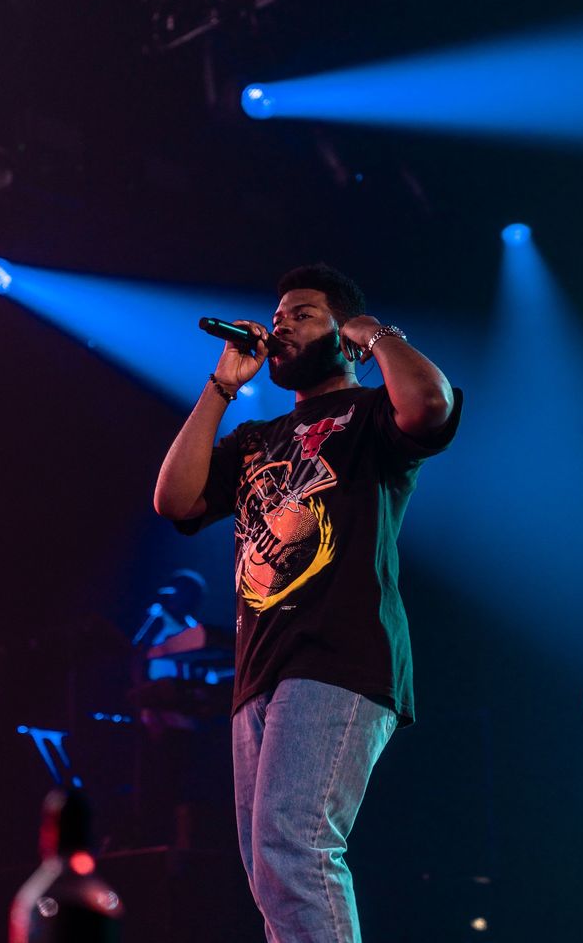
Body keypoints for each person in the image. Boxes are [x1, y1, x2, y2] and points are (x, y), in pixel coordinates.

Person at [154, 263, 462, 942]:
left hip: (340, 655)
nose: (282, 322)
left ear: (341, 331)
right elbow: (174, 498)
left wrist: (376, 335)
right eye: (280, 311)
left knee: (294, 844)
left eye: (303, 313)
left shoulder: (368, 413)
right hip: (261, 667)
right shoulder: (258, 439)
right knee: (270, 866)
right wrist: (220, 386)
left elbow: (430, 406)